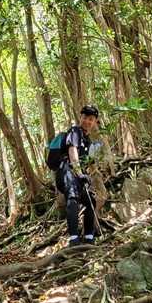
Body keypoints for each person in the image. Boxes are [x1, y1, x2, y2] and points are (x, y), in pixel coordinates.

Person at [54, 104, 101, 247]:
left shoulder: (88, 140)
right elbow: (72, 151)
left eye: (91, 119)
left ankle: (89, 237)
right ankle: (74, 239)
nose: (87, 121)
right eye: (85, 117)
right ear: (80, 117)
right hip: (67, 171)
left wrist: (88, 175)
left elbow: (90, 162)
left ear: (95, 122)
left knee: (90, 201)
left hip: (78, 174)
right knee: (73, 198)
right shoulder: (75, 131)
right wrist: (79, 173)